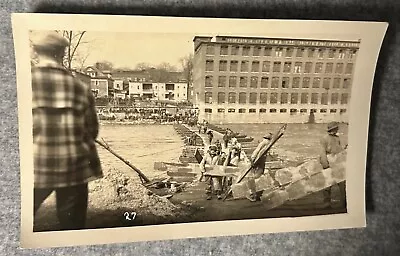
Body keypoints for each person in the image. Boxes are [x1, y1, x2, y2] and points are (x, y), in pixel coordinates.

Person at [31, 31, 103, 230]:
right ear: (62, 54)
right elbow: (92, 131)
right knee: (71, 228)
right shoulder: (80, 87)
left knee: (17, 219)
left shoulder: (25, 82)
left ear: (36, 52)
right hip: (75, 166)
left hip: (36, 165)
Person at [320, 121, 346, 208]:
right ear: (333, 129)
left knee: (342, 184)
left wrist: (344, 150)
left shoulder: (337, 138)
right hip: (329, 162)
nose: (337, 129)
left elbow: (339, 150)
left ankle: (344, 202)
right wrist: (325, 163)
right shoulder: (324, 138)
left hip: (338, 162)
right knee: (328, 184)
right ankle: (327, 203)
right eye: (336, 128)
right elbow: (322, 152)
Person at [246, 133, 273, 202]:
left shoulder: (265, 144)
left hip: (259, 162)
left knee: (257, 177)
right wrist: (252, 159)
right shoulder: (264, 143)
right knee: (256, 177)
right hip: (258, 162)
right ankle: (254, 194)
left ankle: (256, 194)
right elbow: (256, 151)